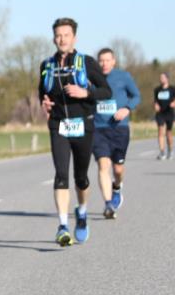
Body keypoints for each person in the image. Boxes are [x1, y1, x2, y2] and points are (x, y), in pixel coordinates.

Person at [39, 18, 111, 246]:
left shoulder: (87, 63)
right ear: (54, 38)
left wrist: (85, 94)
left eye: (66, 35)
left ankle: (81, 211)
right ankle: (62, 225)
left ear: (74, 38)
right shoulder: (46, 66)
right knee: (61, 174)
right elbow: (42, 93)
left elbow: (106, 91)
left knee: (81, 178)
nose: (62, 39)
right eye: (58, 35)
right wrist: (44, 103)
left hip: (83, 124)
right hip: (58, 125)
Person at [92, 47, 140, 219]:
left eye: (107, 60)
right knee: (103, 166)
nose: (104, 64)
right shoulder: (92, 78)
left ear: (113, 61)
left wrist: (127, 109)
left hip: (119, 129)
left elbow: (136, 96)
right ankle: (108, 204)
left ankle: (117, 187)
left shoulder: (123, 77)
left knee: (118, 169)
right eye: (101, 60)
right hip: (98, 128)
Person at [153, 73, 175, 159]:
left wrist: (174, 103)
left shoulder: (172, 89)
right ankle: (162, 152)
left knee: (168, 133)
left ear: (167, 79)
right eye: (160, 77)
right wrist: (155, 105)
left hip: (169, 112)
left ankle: (170, 150)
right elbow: (155, 101)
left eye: (163, 77)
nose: (161, 79)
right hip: (160, 113)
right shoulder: (157, 90)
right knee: (160, 131)